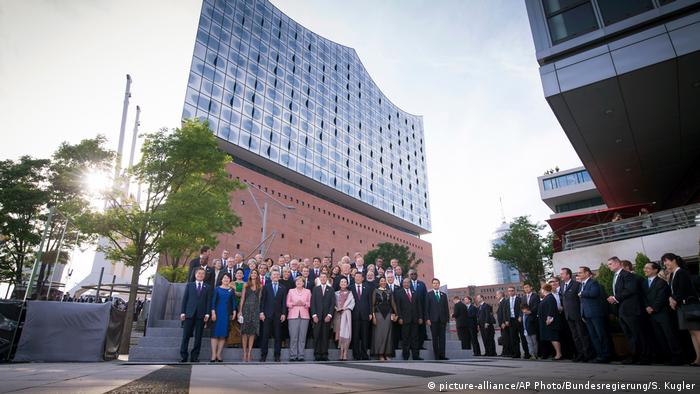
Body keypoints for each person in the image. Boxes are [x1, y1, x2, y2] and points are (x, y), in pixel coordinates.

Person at [607, 256, 649, 364]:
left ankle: (644, 357)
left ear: (617, 263)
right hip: (622, 310)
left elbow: (630, 290)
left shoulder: (628, 275)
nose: (608, 267)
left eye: (610, 264)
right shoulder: (616, 276)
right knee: (629, 334)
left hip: (631, 310)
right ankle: (634, 356)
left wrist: (615, 298)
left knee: (637, 334)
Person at [663, 253, 700, 366]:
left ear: (674, 260)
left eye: (666, 260)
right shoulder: (673, 274)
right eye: (663, 262)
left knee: (697, 333)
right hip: (683, 307)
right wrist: (671, 298)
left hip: (690, 306)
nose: (665, 264)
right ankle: (698, 359)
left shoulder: (681, 272)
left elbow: (682, 289)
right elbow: (674, 292)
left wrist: (673, 299)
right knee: (692, 333)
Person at [643, 261, 683, 365]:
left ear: (655, 270)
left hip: (662, 314)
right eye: (644, 268)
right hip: (651, 315)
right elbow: (643, 297)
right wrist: (647, 306)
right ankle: (666, 357)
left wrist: (653, 307)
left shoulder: (661, 282)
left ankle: (677, 357)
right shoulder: (644, 283)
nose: (645, 270)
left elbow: (662, 297)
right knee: (659, 337)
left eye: (647, 268)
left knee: (670, 335)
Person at [560, 267, 593, 362]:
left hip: (577, 314)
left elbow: (581, 300)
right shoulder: (562, 285)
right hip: (568, 315)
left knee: (582, 335)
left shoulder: (576, 284)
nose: (561, 275)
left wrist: (582, 313)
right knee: (575, 336)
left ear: (568, 275)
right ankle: (580, 354)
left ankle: (588, 354)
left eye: (562, 273)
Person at [578, 266, 610, 363]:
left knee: (601, 335)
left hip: (596, 314)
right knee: (593, 336)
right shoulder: (581, 285)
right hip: (587, 314)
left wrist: (582, 293)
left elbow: (594, 293)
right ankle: (599, 355)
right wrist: (582, 314)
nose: (578, 274)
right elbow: (582, 302)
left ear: (587, 273)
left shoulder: (593, 282)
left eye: (580, 272)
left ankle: (606, 355)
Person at [179, 268, 211, 363]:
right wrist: (183, 312)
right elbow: (185, 299)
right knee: (186, 336)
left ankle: (195, 356)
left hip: (201, 315)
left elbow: (208, 301)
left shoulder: (207, 287)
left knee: (198, 337)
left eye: (202, 274)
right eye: (199, 273)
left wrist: (207, 313)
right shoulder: (189, 285)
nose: (200, 275)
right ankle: (183, 356)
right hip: (189, 314)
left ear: (204, 276)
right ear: (195, 275)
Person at [259, 270, 287, 362]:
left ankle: (277, 355)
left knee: (278, 335)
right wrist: (261, 312)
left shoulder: (283, 287)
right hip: (267, 314)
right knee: (265, 335)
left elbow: (284, 302)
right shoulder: (266, 287)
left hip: (278, 315)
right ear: (270, 276)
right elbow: (263, 301)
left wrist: (283, 313)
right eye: (274, 274)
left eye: (277, 275)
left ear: (279, 276)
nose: (276, 276)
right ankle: (263, 355)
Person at [210, 273, 237, 362]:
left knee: (223, 335)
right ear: (221, 279)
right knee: (215, 335)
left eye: (228, 278)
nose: (226, 279)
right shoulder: (216, 289)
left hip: (226, 314)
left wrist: (234, 311)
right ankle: (213, 355)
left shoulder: (231, 290)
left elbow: (233, 302)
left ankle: (219, 354)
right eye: (224, 278)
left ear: (230, 280)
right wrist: (213, 312)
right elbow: (213, 301)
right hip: (217, 313)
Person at [395, 277, 423, 360]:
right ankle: (406, 356)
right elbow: (398, 307)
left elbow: (419, 306)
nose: (406, 284)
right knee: (405, 338)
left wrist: (420, 317)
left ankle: (416, 356)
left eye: (408, 282)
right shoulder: (399, 293)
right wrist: (400, 317)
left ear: (410, 284)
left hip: (415, 319)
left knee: (415, 338)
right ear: (402, 284)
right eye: (404, 283)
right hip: (404, 319)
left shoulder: (415, 292)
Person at [371, 277, 398, 360]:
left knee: (388, 334)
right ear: (379, 282)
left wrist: (396, 314)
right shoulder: (375, 291)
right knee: (379, 335)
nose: (383, 282)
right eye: (381, 281)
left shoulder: (389, 291)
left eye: (384, 281)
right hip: (378, 314)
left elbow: (393, 303)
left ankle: (387, 353)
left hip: (388, 314)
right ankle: (380, 354)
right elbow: (373, 304)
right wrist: (373, 317)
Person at [286, 276, 311, 361]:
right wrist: (294, 303)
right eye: (297, 281)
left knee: (302, 337)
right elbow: (287, 303)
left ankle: (301, 355)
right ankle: (293, 355)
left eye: (300, 281)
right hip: (293, 315)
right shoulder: (291, 291)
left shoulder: (308, 291)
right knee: (293, 337)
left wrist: (304, 303)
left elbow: (310, 303)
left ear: (303, 283)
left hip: (304, 316)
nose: (298, 283)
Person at [239, 269, 261, 362]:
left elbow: (260, 300)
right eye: (252, 273)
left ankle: (250, 352)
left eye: (255, 273)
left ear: (257, 275)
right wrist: (240, 311)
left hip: (255, 310)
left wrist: (260, 311)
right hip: (246, 309)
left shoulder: (260, 286)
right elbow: (242, 298)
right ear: (250, 275)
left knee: (252, 332)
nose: (253, 274)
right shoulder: (246, 285)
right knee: (244, 332)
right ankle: (244, 353)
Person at [425, 278, 449, 360]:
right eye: (434, 283)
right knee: (435, 338)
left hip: (442, 320)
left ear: (439, 284)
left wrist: (447, 319)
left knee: (442, 338)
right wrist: (427, 319)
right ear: (432, 285)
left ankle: (442, 355)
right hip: (433, 320)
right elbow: (426, 308)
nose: (435, 284)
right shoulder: (429, 294)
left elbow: (446, 308)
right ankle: (437, 356)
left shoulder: (443, 295)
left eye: (437, 283)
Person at [351, 271, 372, 360]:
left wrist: (371, 313)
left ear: (362, 278)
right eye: (356, 276)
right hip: (354, 315)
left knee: (365, 336)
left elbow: (370, 301)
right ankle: (356, 354)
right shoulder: (350, 288)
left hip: (365, 315)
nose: (358, 278)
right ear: (354, 278)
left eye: (359, 277)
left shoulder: (367, 287)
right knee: (355, 336)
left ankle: (364, 354)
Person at [539, 284, 562, 360]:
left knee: (554, 337)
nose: (541, 291)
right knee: (551, 338)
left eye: (542, 289)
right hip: (546, 321)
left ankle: (558, 354)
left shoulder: (550, 297)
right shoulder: (547, 297)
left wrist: (549, 319)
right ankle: (556, 353)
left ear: (544, 290)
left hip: (550, 322)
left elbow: (551, 309)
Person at [334, 277, 354, 361]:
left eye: (344, 282)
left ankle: (345, 353)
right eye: (341, 282)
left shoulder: (350, 293)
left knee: (346, 334)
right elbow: (333, 303)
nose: (343, 283)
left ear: (347, 284)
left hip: (346, 314)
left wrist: (344, 308)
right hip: (338, 315)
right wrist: (336, 308)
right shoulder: (336, 293)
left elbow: (352, 303)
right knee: (340, 334)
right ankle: (341, 352)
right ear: (339, 284)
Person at [225, 268, 245, 348]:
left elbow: (243, 295)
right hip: (232, 305)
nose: (239, 274)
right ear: (235, 274)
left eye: (241, 273)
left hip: (242, 306)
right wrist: (240, 293)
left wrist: (236, 291)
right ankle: (231, 342)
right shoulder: (231, 283)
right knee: (232, 323)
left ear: (243, 275)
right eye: (238, 273)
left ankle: (239, 342)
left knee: (240, 323)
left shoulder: (245, 284)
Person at [506, 286, 526, 358]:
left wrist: (520, 316)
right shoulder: (507, 301)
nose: (510, 292)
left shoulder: (519, 299)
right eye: (509, 291)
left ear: (514, 291)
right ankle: (517, 354)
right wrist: (506, 320)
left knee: (523, 337)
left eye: (512, 290)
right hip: (511, 321)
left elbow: (522, 308)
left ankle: (526, 353)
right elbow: (506, 311)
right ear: (508, 292)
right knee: (514, 338)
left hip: (519, 320)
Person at [496, 290, 511, 356]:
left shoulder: (504, 301)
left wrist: (503, 322)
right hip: (502, 324)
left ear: (501, 294)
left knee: (506, 338)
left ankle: (507, 352)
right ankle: (504, 352)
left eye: (497, 294)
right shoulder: (501, 302)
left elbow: (505, 313)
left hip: (504, 324)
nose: (496, 296)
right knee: (504, 338)